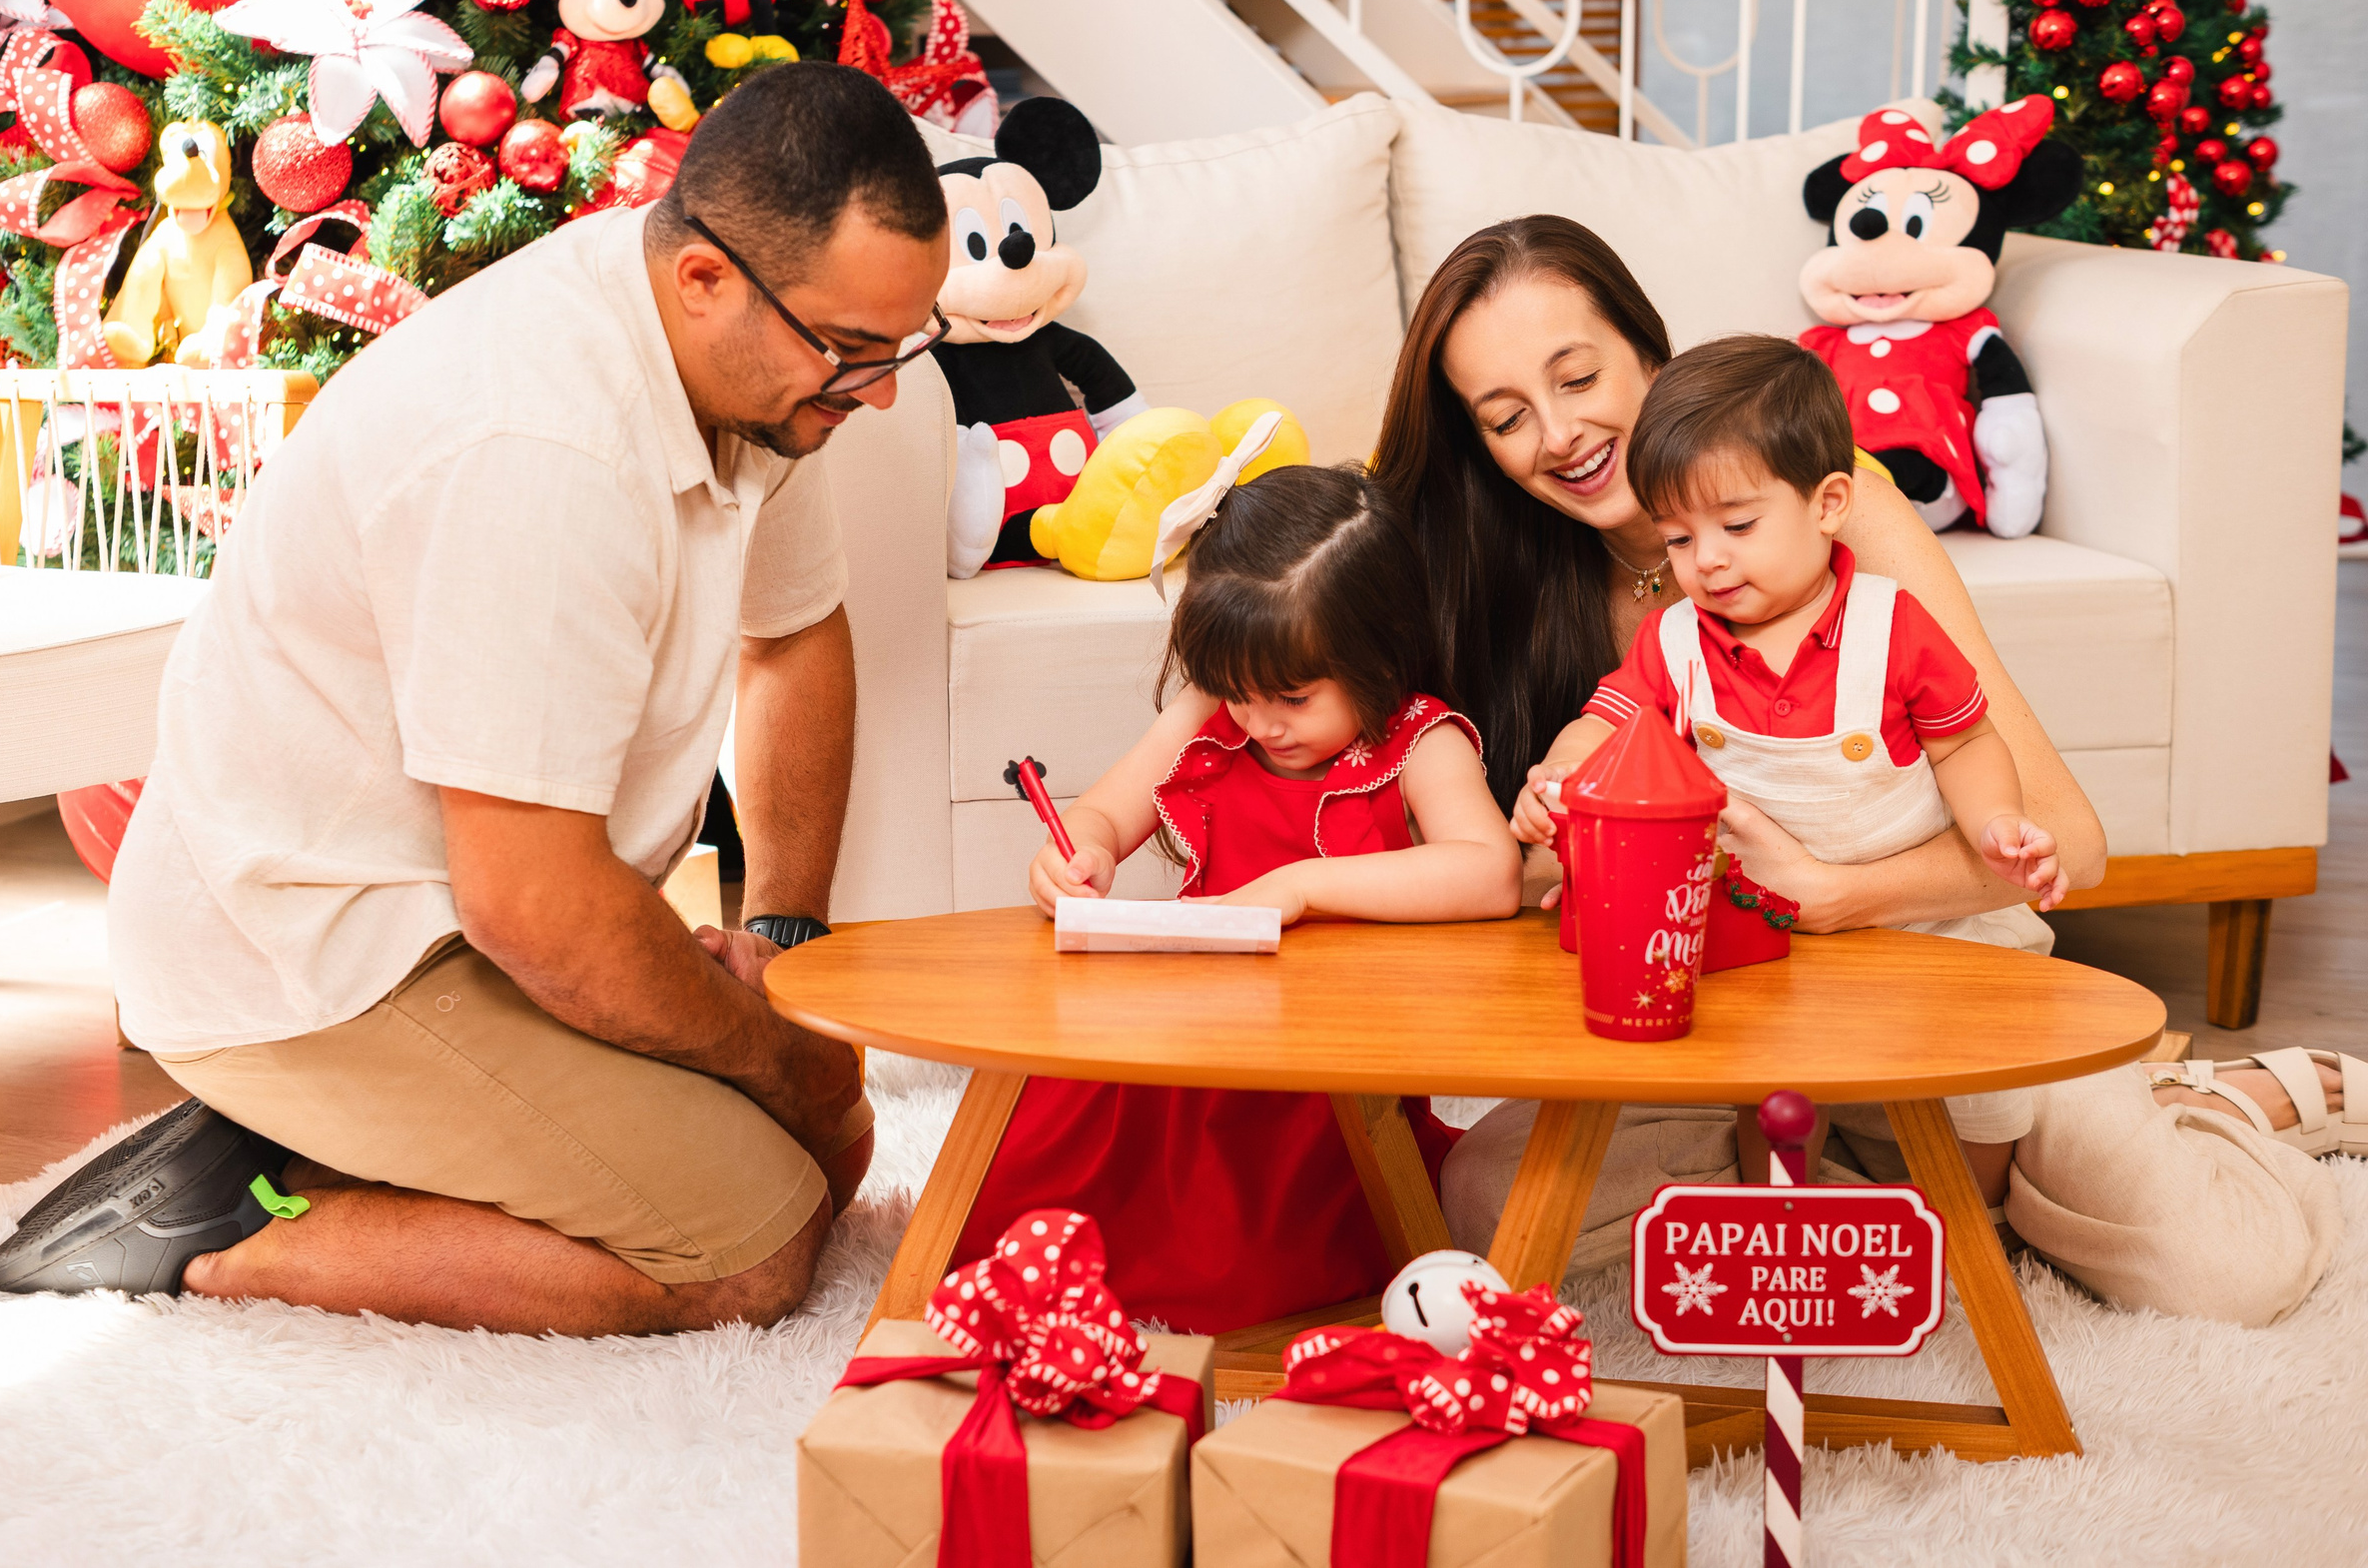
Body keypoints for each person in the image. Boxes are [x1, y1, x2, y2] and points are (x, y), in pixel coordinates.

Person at [71, 64, 951, 1335]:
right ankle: (228, 1228)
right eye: (852, 352)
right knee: (750, 1247)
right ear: (705, 279)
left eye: (901, 345)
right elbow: (534, 905)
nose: (880, 389)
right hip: (316, 954)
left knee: (835, 1143)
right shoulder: (542, 450)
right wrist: (774, 1055)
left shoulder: (753, 365)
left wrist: (784, 944)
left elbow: (795, 632)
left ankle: (366, 1149)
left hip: (477, 914)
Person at [1376, 216, 2352, 1326]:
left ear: (1650, 352)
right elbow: (1518, 833)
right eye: (1506, 417)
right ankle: (1916, 1191)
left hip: (1937, 983)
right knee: (1489, 1198)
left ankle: (2208, 1104)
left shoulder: (1838, 524)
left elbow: (2068, 842)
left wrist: (1833, 894)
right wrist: (1555, 834)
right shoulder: (1500, 572)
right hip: (1730, 1026)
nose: (1559, 435)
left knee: (2227, 1273)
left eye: (1578, 377)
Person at [969, 463, 1523, 1331]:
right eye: (1242, 693)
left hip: (1327, 1066)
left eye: (1293, 698)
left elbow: (1492, 872)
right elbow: (1105, 810)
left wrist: (1298, 887)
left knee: (1243, 1259)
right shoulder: (1214, 709)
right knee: (1039, 1153)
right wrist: (1078, 848)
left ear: (1380, 657)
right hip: (1196, 1032)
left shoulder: (1418, 739)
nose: (1261, 723)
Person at [1512, 334, 2067, 1201]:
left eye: (1737, 526)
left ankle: (1976, 1217)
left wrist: (1996, 823)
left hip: (1926, 929)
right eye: (1679, 538)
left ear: (1829, 503)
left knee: (1978, 1104)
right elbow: (1604, 725)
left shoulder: (1893, 624)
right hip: (1762, 933)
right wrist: (1559, 782)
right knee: (1764, 1085)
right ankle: (1779, 1217)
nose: (1708, 559)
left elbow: (1966, 744)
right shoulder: (1674, 641)